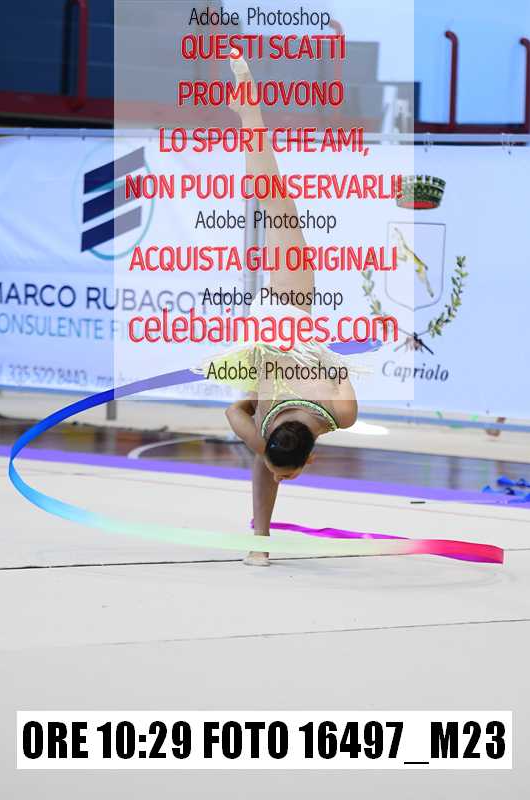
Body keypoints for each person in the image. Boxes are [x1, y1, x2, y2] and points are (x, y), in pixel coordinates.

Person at [221, 52, 359, 565]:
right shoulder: (272, 427)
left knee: (273, 197)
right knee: (270, 197)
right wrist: (258, 428)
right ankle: (258, 543)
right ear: (303, 459)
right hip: (275, 321)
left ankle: (248, 109)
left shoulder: (339, 414)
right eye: (286, 471)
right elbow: (233, 410)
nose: (280, 474)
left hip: (284, 313)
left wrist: (263, 416)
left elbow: (336, 365)